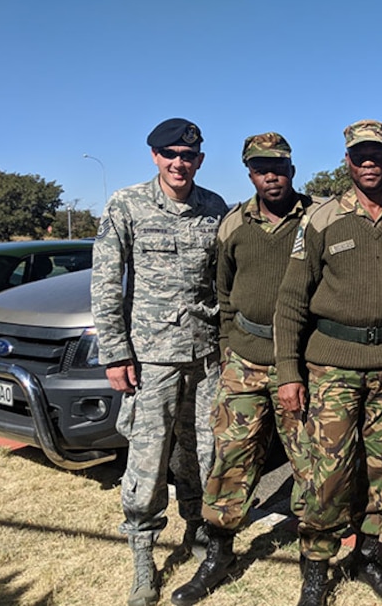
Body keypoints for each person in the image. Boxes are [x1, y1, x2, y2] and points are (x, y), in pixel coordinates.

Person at [274, 119, 382, 606]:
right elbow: (291, 302)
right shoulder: (321, 220)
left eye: (377, 154)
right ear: (347, 161)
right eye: (359, 155)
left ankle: (367, 556)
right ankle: (316, 570)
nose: (368, 162)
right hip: (332, 366)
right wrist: (288, 372)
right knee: (328, 473)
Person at [170, 133, 320, 605]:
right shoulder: (233, 223)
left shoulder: (318, 219)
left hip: (302, 361)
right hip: (245, 360)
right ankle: (219, 552)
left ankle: (314, 568)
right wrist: (230, 347)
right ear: (249, 173)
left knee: (312, 465)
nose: (270, 175)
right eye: (259, 168)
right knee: (231, 459)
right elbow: (223, 295)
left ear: (292, 169)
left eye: (277, 166)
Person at [91, 118, 230, 606]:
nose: (179, 162)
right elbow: (107, 283)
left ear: (200, 160)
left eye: (188, 155)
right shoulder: (127, 205)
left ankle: (198, 531)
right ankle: (143, 559)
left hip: (207, 356)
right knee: (148, 463)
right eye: (170, 153)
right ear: (154, 156)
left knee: (203, 453)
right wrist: (115, 353)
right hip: (152, 361)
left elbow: (225, 282)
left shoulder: (214, 208)